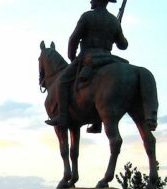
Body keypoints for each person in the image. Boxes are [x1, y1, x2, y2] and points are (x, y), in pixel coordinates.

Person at [46, 0, 128, 133]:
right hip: (108, 59)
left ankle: (62, 117)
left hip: (88, 58)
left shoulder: (88, 16)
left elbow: (74, 39)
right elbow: (123, 45)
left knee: (61, 82)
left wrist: (72, 57)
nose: (91, 1)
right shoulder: (113, 20)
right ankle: (97, 122)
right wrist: (117, 27)